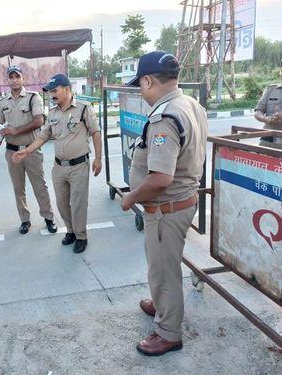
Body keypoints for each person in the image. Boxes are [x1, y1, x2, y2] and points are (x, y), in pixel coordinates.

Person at [122, 51, 207, 356]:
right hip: (183, 201)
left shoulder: (164, 117)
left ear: (148, 80)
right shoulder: (191, 105)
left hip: (167, 208)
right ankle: (161, 304)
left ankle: (168, 331)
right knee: (160, 265)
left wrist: (130, 197)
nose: (140, 91)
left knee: (163, 269)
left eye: (140, 85)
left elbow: (160, 178)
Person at [13, 74, 102, 254]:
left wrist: (98, 159)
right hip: (59, 167)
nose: (52, 94)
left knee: (78, 203)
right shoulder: (52, 113)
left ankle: (81, 236)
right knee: (62, 203)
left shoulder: (84, 109)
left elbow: (95, 133)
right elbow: (44, 136)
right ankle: (70, 231)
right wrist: (27, 150)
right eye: (50, 91)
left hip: (79, 166)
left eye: (55, 90)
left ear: (67, 89)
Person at [0, 66, 57, 235]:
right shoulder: (3, 102)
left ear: (23, 79)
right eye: (11, 77)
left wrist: (15, 130)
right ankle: (24, 220)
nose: (14, 80)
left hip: (31, 150)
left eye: (17, 76)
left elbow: (38, 121)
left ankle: (48, 217)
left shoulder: (33, 98)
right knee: (18, 188)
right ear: (7, 80)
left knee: (39, 186)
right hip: (12, 151)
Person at [254, 63, 282, 149]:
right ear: (280, 72)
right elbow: (258, 111)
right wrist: (265, 119)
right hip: (267, 141)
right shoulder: (271, 89)